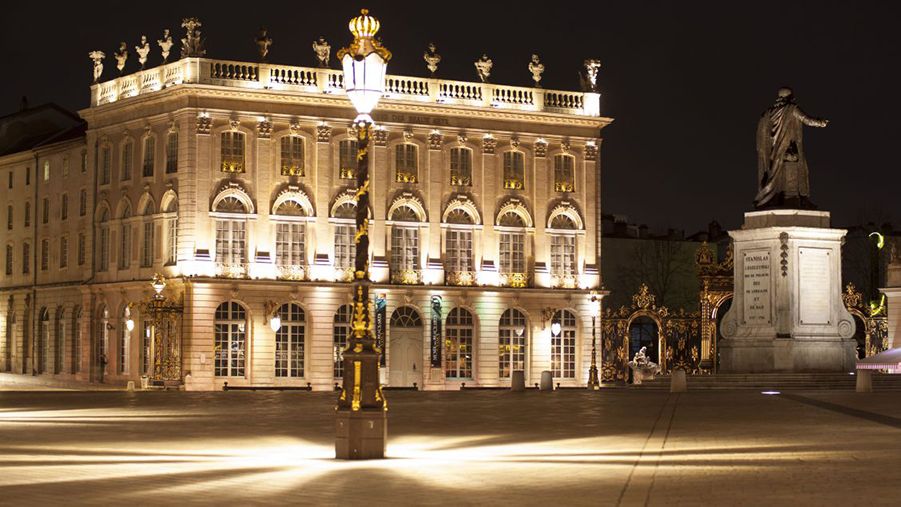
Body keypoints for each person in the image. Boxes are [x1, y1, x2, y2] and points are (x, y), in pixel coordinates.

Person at [754, 87, 828, 209]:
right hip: (789, 147)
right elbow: (806, 119)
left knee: (775, 173)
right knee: (800, 170)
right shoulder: (792, 108)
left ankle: (774, 197)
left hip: (774, 151)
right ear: (790, 97)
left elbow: (762, 132)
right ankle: (799, 198)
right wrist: (820, 122)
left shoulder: (769, 113)